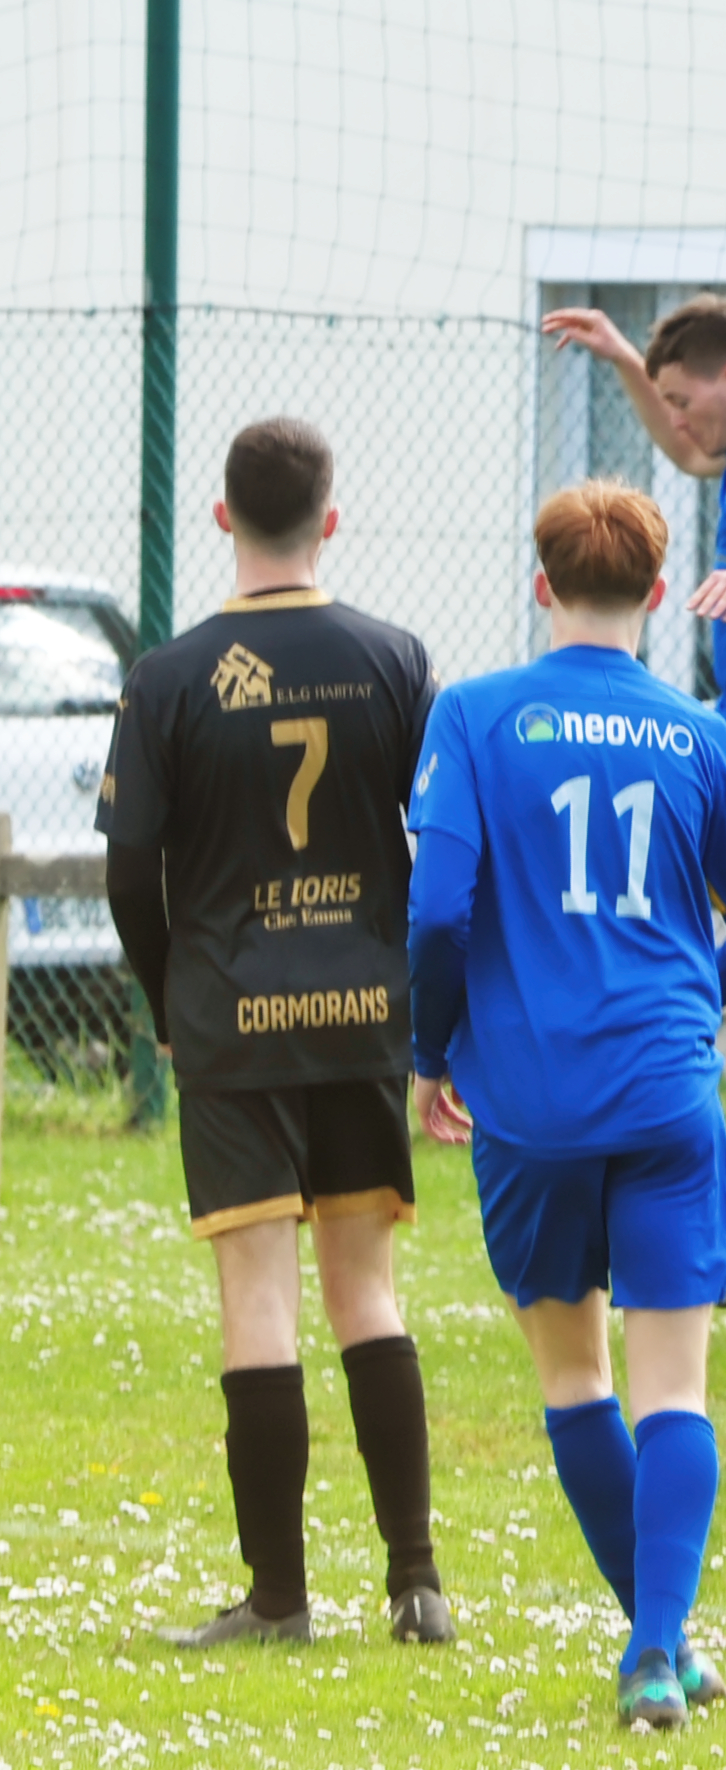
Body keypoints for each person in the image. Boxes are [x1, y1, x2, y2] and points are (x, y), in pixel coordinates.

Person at [407, 478, 726, 1727]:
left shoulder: (472, 716)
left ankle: (655, 1641)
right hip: (665, 1090)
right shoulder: (701, 730)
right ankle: (658, 1644)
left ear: (542, 586)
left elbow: (434, 911)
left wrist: (433, 1048)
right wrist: (696, 996)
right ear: (659, 593)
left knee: (576, 1378)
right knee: (673, 1386)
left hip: (528, 1103)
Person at [96, 417, 451, 1646]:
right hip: (361, 1017)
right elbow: (443, 849)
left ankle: (280, 1599)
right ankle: (418, 1581)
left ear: (220, 519)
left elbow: (129, 872)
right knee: (370, 1294)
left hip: (234, 1025)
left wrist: (167, 1001)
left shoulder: (168, 678)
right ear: (331, 519)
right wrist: (422, 1001)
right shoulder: (399, 659)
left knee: (261, 1303)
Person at [540, 296, 726, 1305]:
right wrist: (630, 359)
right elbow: (681, 454)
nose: (677, 421)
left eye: (684, 399)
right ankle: (647, 1030)